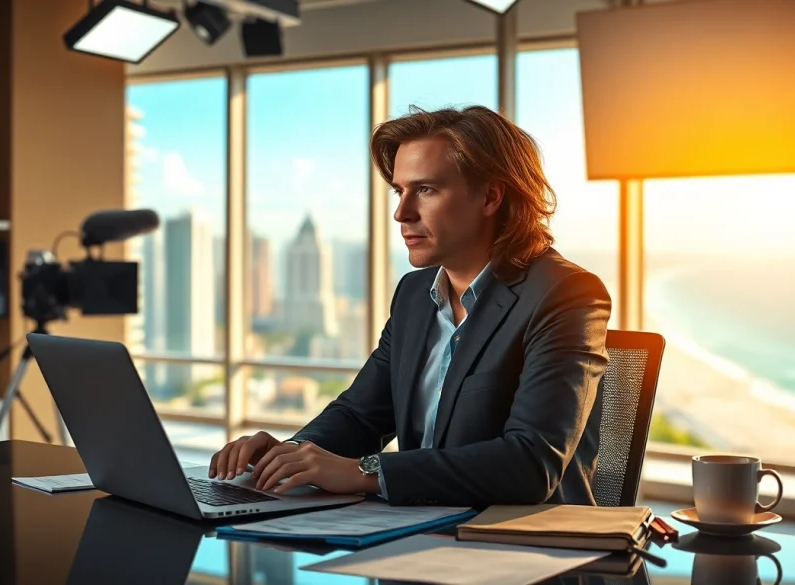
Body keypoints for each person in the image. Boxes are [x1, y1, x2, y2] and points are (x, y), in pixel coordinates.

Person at [209, 105, 611, 507]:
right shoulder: (414, 295)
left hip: (524, 549)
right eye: (400, 191)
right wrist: (290, 454)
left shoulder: (565, 294)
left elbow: (529, 464)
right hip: (417, 533)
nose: (401, 213)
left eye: (426, 190)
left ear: (490, 196)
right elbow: (360, 415)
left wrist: (364, 472)